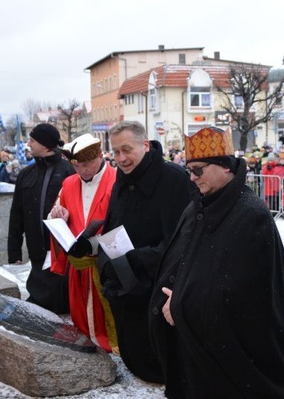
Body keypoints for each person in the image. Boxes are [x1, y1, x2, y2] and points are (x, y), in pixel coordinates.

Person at [149, 127, 284, 397]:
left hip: (233, 356)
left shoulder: (250, 214)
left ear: (226, 167)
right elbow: (181, 261)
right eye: (188, 170)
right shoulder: (199, 204)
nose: (192, 178)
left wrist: (182, 303)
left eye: (198, 170)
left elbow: (240, 293)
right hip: (195, 343)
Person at [97, 120, 193, 383]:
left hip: (155, 282)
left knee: (160, 356)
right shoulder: (121, 178)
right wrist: (105, 257)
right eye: (115, 152)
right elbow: (112, 223)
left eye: (127, 150)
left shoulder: (173, 179)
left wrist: (138, 259)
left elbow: (180, 240)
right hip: (125, 279)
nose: (121, 158)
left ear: (145, 145)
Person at [48, 133, 118, 352]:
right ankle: (85, 340)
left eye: (86, 165)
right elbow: (55, 213)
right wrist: (58, 215)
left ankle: (111, 342)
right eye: (76, 166)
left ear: (99, 156)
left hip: (106, 262)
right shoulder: (68, 183)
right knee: (79, 310)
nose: (81, 171)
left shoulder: (117, 181)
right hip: (79, 263)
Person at [7, 123, 75, 314]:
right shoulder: (26, 174)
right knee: (39, 297)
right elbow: (16, 214)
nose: (28, 143)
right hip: (36, 247)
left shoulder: (69, 172)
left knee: (62, 298)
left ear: (45, 145)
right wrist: (14, 251)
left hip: (61, 249)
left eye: (32, 140)